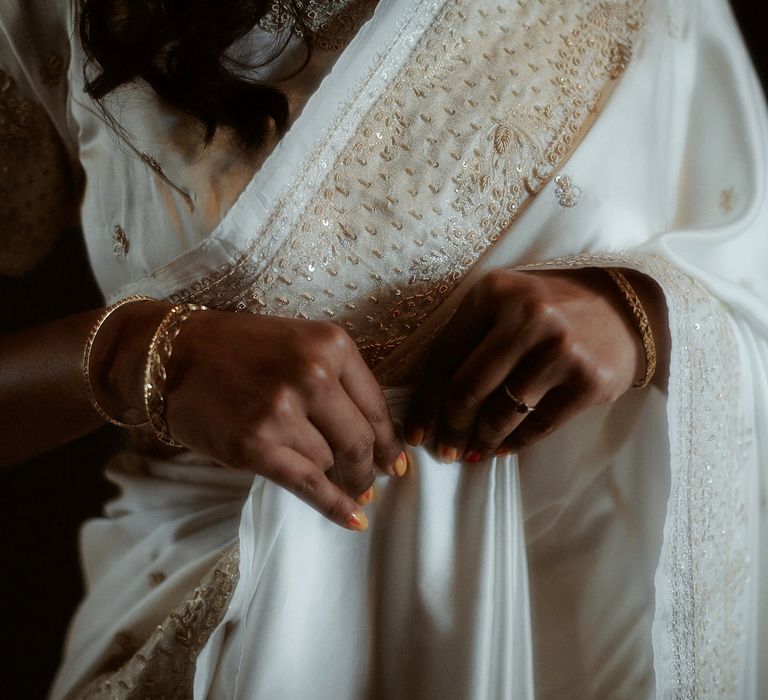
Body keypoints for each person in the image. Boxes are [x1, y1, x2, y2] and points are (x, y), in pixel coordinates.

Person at [1, 0, 766, 697]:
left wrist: (642, 315)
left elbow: (748, 270)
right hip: (196, 624)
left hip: (574, 617)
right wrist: (140, 357)